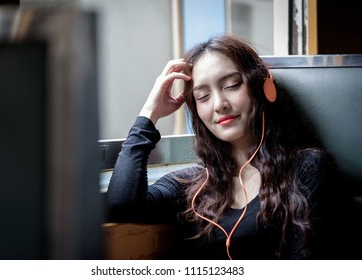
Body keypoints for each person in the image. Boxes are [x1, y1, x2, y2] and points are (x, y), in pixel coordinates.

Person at [107, 34, 336, 260]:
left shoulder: (306, 168)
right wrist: (150, 113)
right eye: (203, 96)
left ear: (260, 87)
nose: (219, 105)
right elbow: (122, 204)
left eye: (232, 85)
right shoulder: (192, 184)